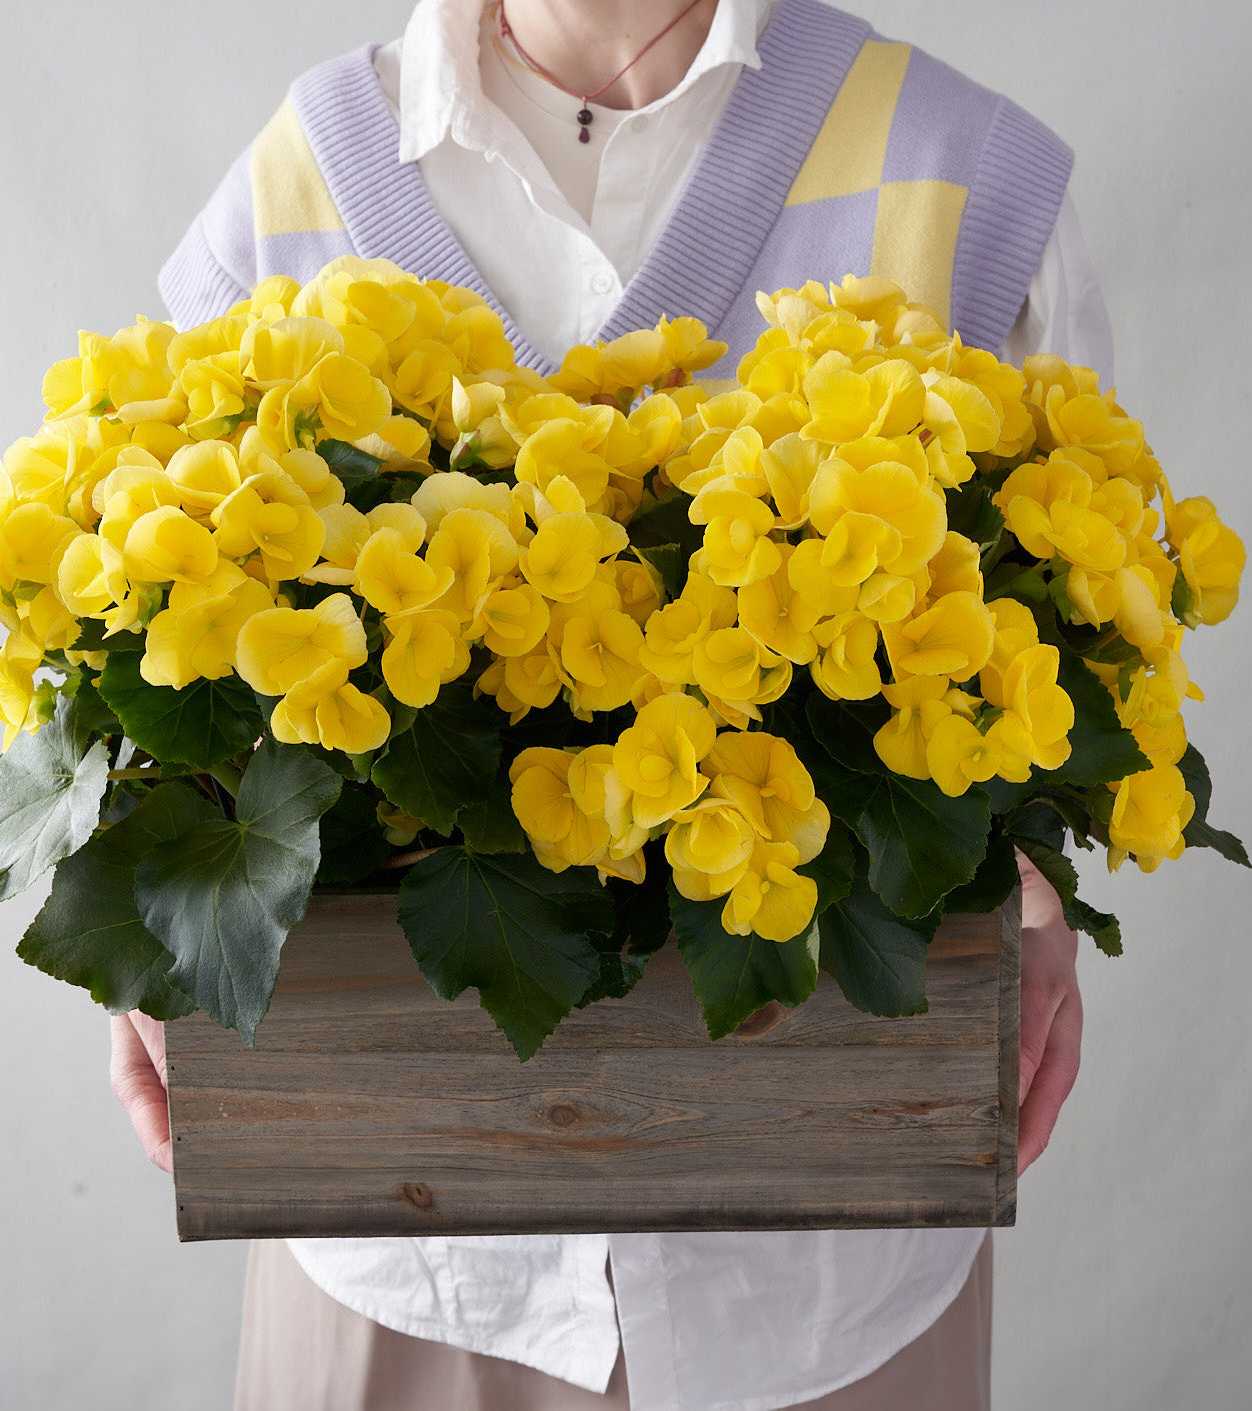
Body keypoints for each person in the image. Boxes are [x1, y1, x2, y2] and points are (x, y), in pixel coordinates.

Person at [113, 1, 1094, 1406]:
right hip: (404, 1252)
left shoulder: (971, 173)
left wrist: (1044, 910)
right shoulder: (305, 174)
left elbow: (1068, 665)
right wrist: (165, 935)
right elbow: (169, 666)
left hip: (825, 1267)